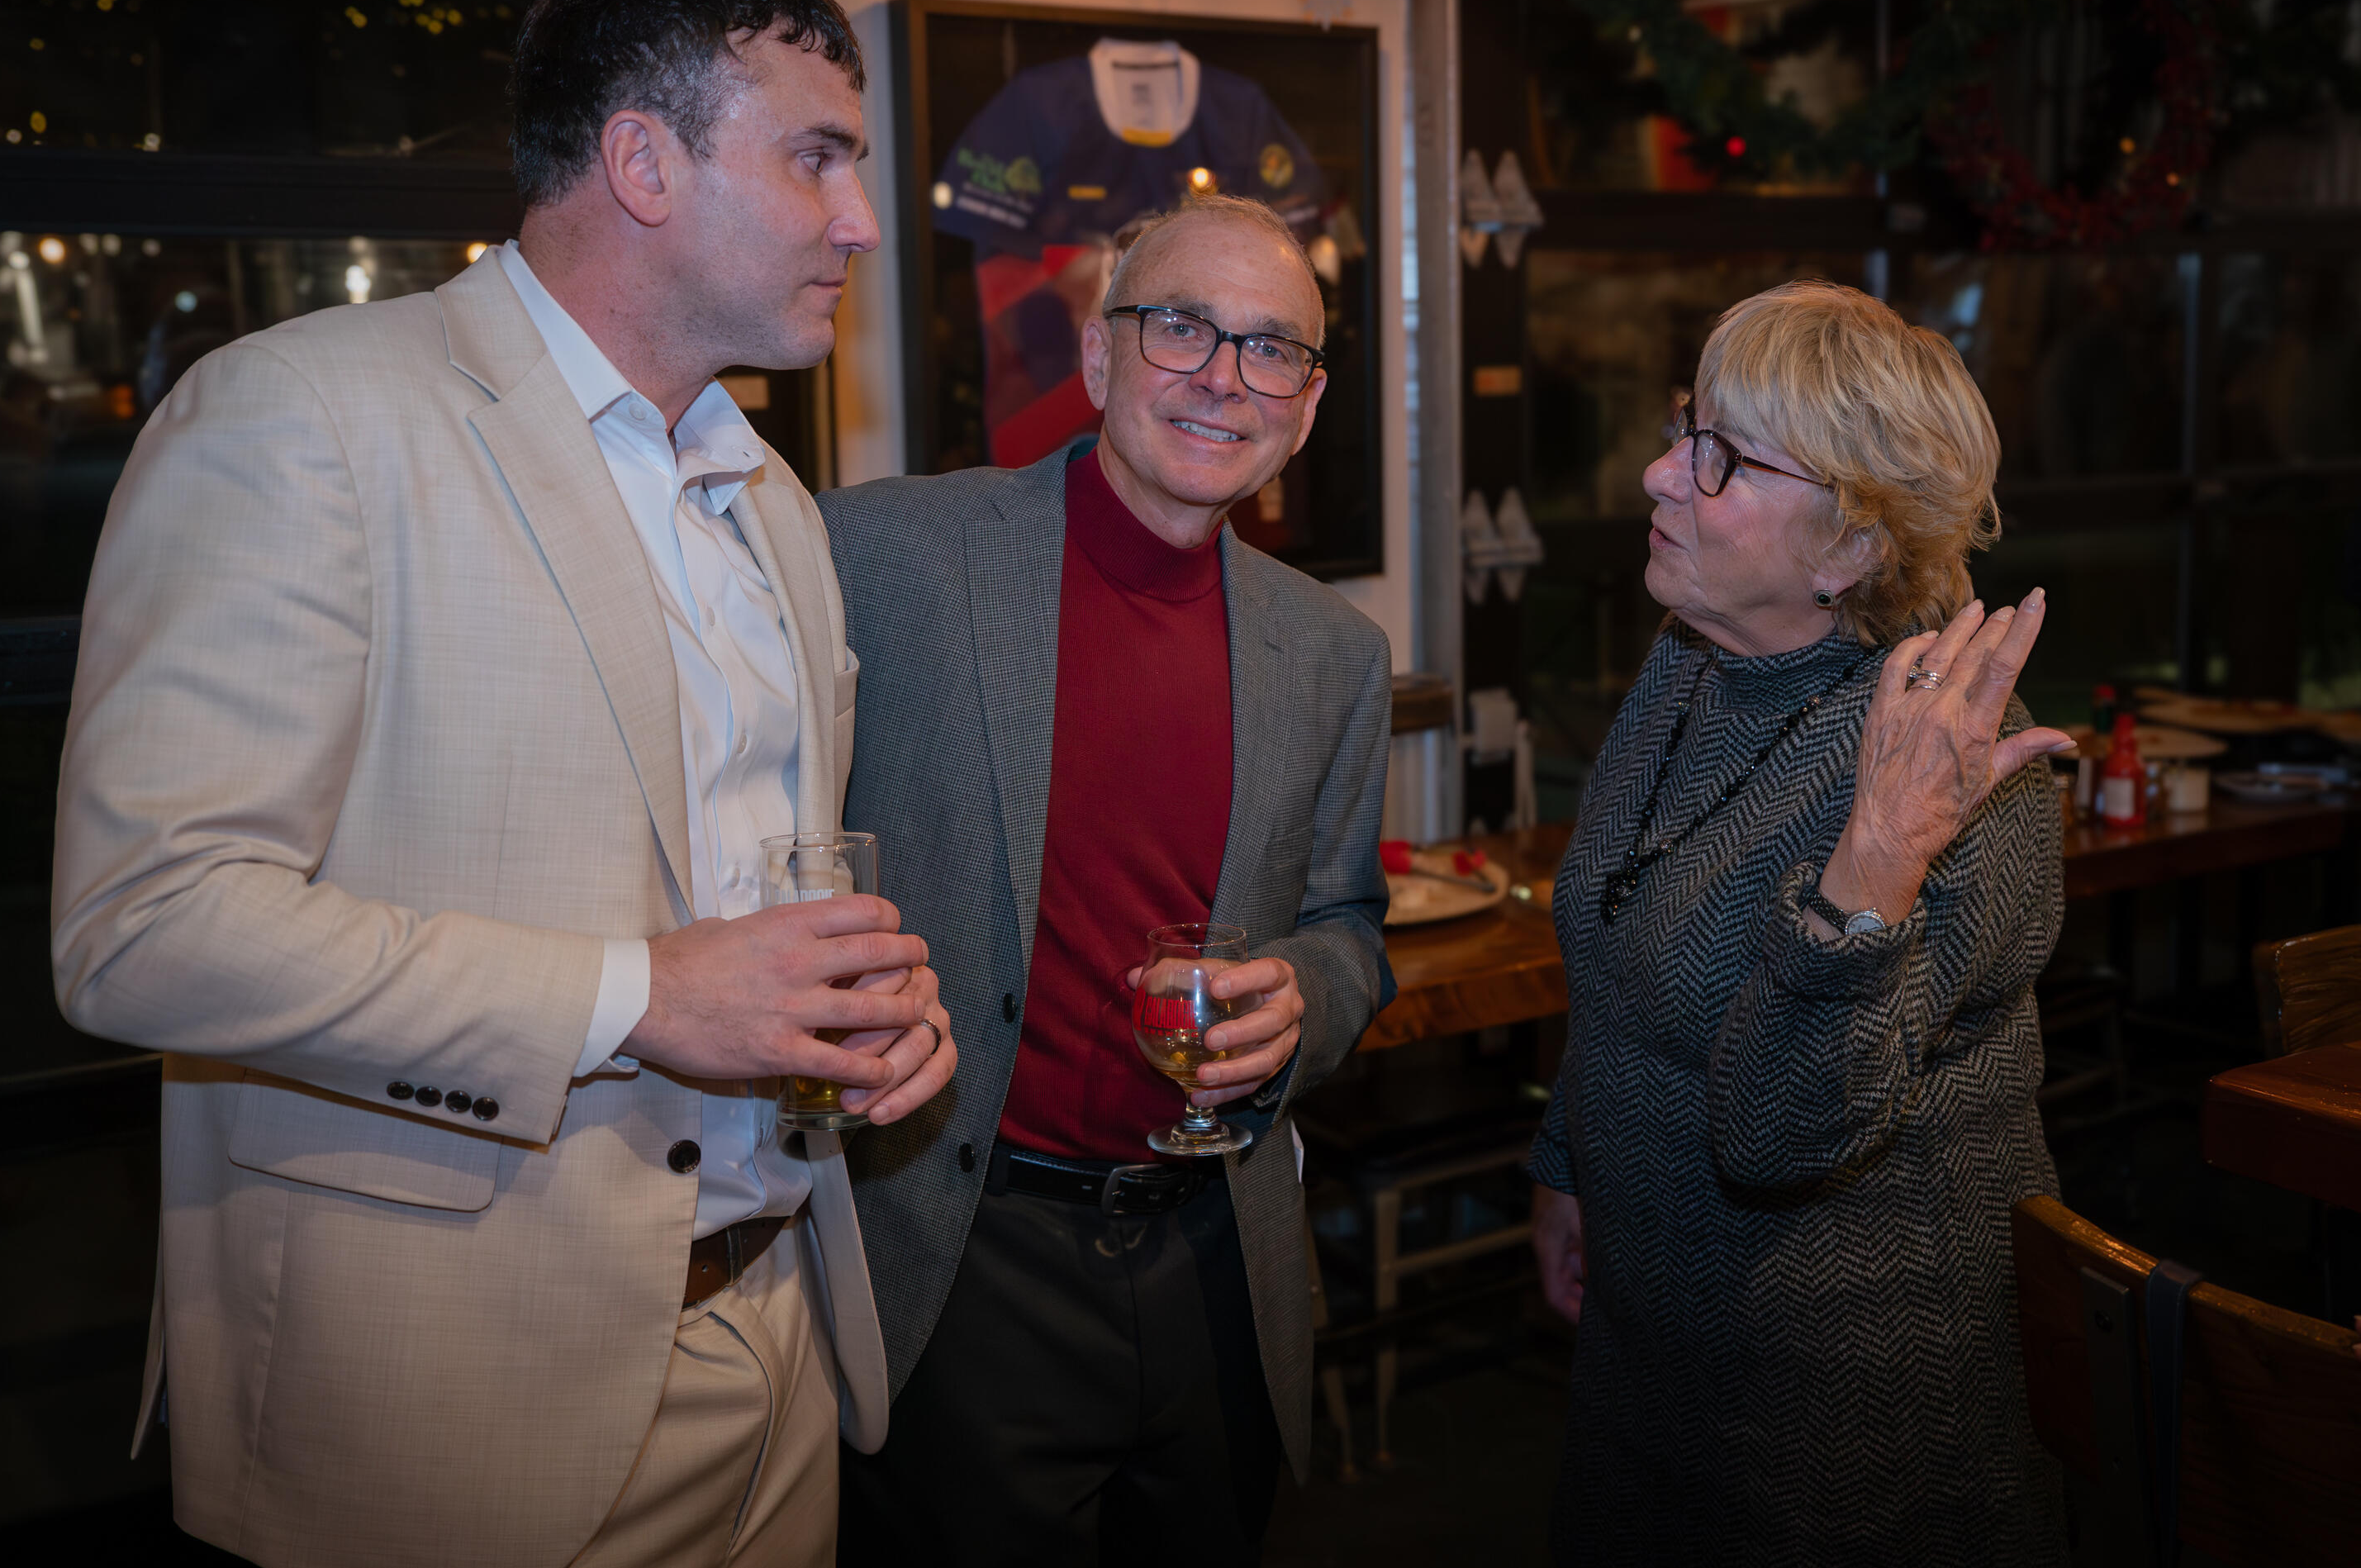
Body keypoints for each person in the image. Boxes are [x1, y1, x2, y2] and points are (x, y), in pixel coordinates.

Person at [50, 0, 955, 1567]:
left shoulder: (770, 498)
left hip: (782, 1345)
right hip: (452, 1397)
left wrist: (850, 1014)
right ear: (643, 162)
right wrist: (639, 996)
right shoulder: (303, 419)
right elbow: (146, 928)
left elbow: (746, 900)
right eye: (817, 158)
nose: (861, 220)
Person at [819, 191, 1395, 1565]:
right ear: (1096, 354)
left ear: (1307, 406)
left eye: (1271, 349)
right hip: (965, 1257)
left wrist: (1305, 997)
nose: (1224, 377)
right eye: (1181, 326)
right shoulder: (876, 555)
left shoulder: (1333, 651)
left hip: (1214, 1258)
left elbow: (1348, 926)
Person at [1527, 279, 2074, 1562]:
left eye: (1720, 458)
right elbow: (1621, 940)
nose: (1661, 472)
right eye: (1686, 427)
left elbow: (1782, 1132)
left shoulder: (1955, 768)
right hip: (1648, 1354)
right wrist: (1568, 1162)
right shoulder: (1698, 655)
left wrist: (1879, 854)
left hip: (1843, 1411)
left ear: (1850, 547)